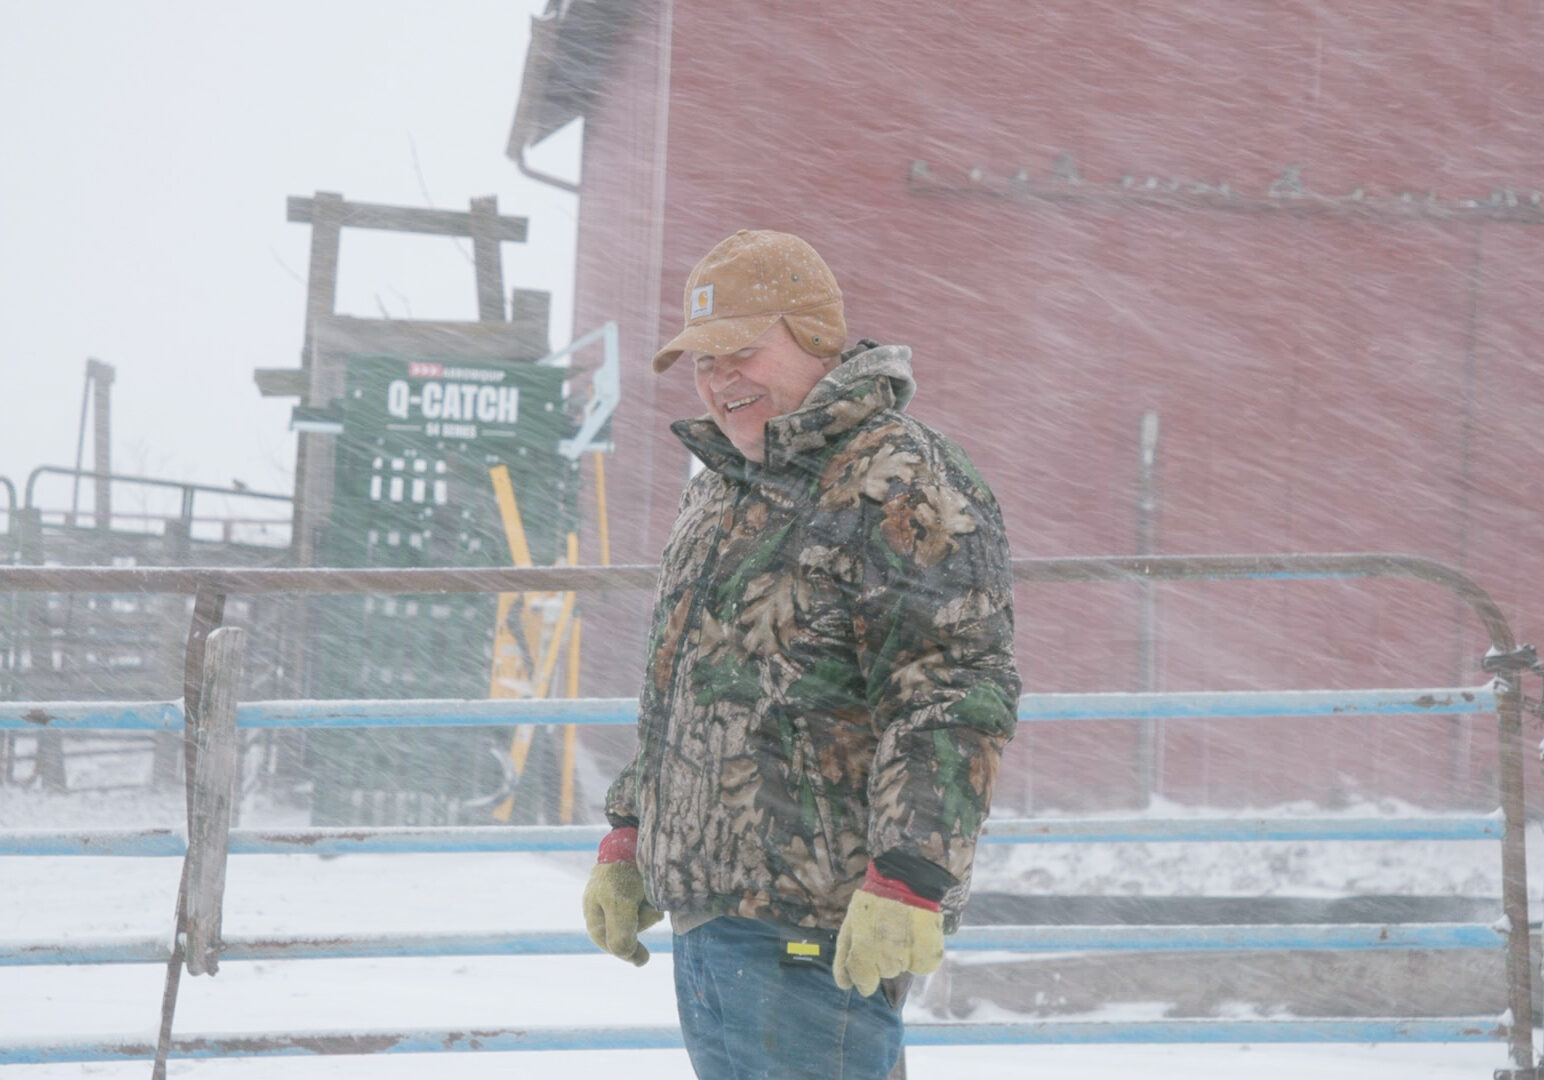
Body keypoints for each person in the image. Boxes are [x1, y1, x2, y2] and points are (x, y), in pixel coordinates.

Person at [581, 229, 1019, 1079]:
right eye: (704, 361)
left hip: (818, 926)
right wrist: (632, 833)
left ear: (817, 338)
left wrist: (911, 875)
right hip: (711, 924)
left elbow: (951, 692)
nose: (719, 380)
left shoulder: (897, 476)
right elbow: (682, 686)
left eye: (742, 351)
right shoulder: (721, 488)